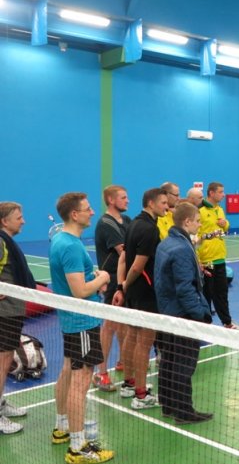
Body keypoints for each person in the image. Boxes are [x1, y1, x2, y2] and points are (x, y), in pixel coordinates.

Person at [49, 192, 114, 463]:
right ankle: (78, 447)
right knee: (81, 381)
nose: (92, 212)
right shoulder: (71, 246)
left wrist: (92, 276)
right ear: (74, 214)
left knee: (68, 370)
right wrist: (103, 277)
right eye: (87, 209)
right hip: (82, 322)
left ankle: (62, 427)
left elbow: (76, 281)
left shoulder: (60, 239)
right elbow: (79, 291)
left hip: (70, 320)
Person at [154, 201, 214, 424]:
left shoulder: (166, 243)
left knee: (169, 360)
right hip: (182, 315)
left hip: (167, 313)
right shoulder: (181, 249)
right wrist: (200, 314)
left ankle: (168, 405)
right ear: (187, 222)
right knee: (183, 364)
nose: (200, 225)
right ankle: (183, 411)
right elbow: (185, 288)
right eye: (197, 221)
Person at [119, 188, 167, 410]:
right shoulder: (149, 229)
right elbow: (137, 266)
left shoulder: (133, 223)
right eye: (163, 203)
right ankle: (141, 394)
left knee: (131, 335)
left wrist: (122, 286)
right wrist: (126, 284)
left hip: (134, 292)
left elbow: (124, 258)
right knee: (144, 342)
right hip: (145, 292)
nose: (166, 207)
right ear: (151, 203)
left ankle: (128, 384)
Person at [92, 185, 131, 393]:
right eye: (123, 198)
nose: (127, 200)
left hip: (125, 279)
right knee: (110, 325)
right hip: (112, 279)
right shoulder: (106, 223)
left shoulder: (127, 220)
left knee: (123, 323)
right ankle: (101, 372)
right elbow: (124, 249)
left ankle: (123, 361)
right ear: (111, 200)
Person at [0, 202, 34, 435]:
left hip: (12, 310)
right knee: (2, 362)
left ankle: (1, 402)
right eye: (18, 217)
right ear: (5, 221)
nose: (23, 221)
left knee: (6, 359)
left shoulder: (6, 241)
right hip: (5, 313)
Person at [198, 182, 239, 330]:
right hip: (206, 260)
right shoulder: (200, 211)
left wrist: (225, 224)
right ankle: (205, 326)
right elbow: (195, 235)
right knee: (207, 294)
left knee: (222, 293)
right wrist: (198, 259)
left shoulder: (219, 209)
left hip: (220, 257)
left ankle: (227, 322)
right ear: (211, 193)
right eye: (220, 192)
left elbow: (224, 229)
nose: (223, 195)